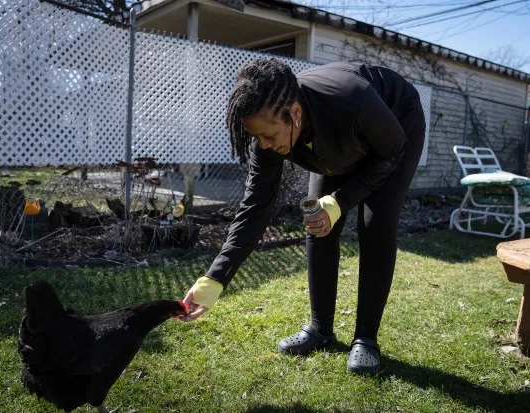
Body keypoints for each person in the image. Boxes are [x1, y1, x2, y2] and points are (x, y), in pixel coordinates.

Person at [179, 57, 426, 374]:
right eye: (258, 139)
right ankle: (320, 330)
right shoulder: (269, 129)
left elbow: (391, 152)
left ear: (294, 113)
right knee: (317, 223)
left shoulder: (352, 98)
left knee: (375, 225)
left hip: (395, 128)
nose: (265, 145)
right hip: (337, 137)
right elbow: (256, 207)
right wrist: (213, 280)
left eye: (269, 136)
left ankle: (365, 339)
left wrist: (340, 201)